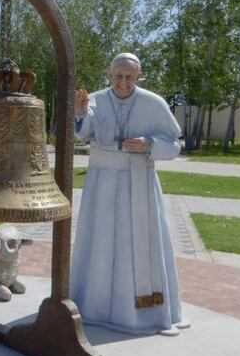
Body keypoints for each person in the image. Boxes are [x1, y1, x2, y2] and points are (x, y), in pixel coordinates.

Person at [70, 52, 190, 337]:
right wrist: (79, 113)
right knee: (99, 244)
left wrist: (149, 144)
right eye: (118, 76)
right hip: (101, 183)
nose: (123, 82)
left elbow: (174, 144)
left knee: (139, 247)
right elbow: (84, 134)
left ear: (139, 76)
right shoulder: (96, 99)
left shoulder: (153, 103)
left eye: (129, 76)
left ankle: (147, 310)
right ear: (109, 75)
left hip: (139, 184)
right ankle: (94, 308)